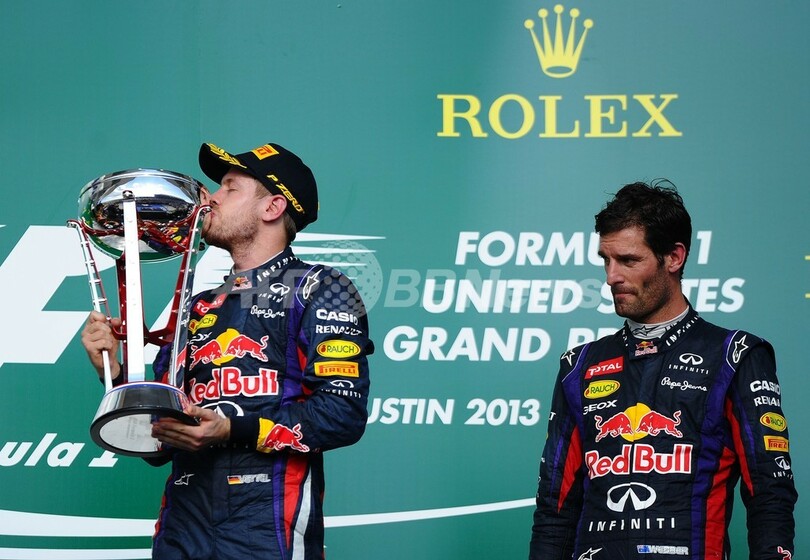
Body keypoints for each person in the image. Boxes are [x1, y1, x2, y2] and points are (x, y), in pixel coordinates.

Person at [81, 141, 373, 560]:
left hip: (267, 523)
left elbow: (341, 416)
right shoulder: (197, 306)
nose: (212, 198)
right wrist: (111, 370)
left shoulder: (321, 288)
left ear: (272, 207)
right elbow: (156, 446)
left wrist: (230, 429)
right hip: (182, 524)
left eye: (230, 188)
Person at [529, 181, 796, 560]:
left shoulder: (735, 355)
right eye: (606, 260)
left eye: (628, 260)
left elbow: (770, 492)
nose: (611, 276)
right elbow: (554, 507)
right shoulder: (579, 365)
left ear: (674, 257)